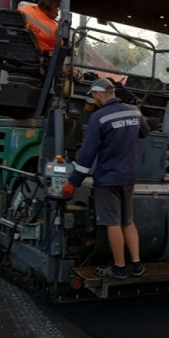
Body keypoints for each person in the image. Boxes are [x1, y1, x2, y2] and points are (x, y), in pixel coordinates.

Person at [61, 78, 150, 278]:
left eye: (93, 96)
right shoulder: (134, 111)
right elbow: (145, 132)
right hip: (129, 177)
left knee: (113, 222)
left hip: (108, 179)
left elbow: (87, 155)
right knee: (128, 221)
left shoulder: (99, 117)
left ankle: (119, 267)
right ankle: (136, 265)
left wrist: (73, 182)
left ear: (100, 94)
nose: (93, 99)